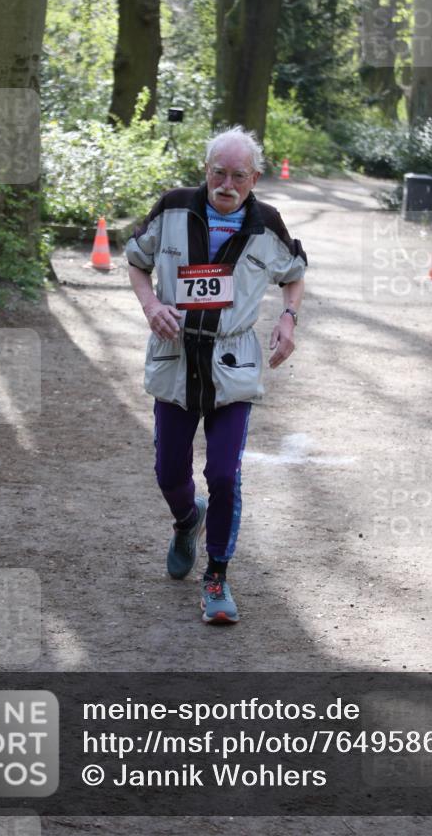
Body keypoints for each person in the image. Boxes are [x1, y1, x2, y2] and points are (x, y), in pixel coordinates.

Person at [125, 125, 307, 624]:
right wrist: (151, 305)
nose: (227, 185)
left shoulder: (268, 225)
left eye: (238, 176)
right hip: (175, 357)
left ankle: (217, 576)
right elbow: (136, 262)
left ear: (255, 178)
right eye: (218, 173)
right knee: (169, 473)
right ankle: (188, 519)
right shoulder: (172, 209)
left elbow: (294, 274)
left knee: (224, 474)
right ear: (205, 170)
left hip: (232, 363)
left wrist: (288, 318)